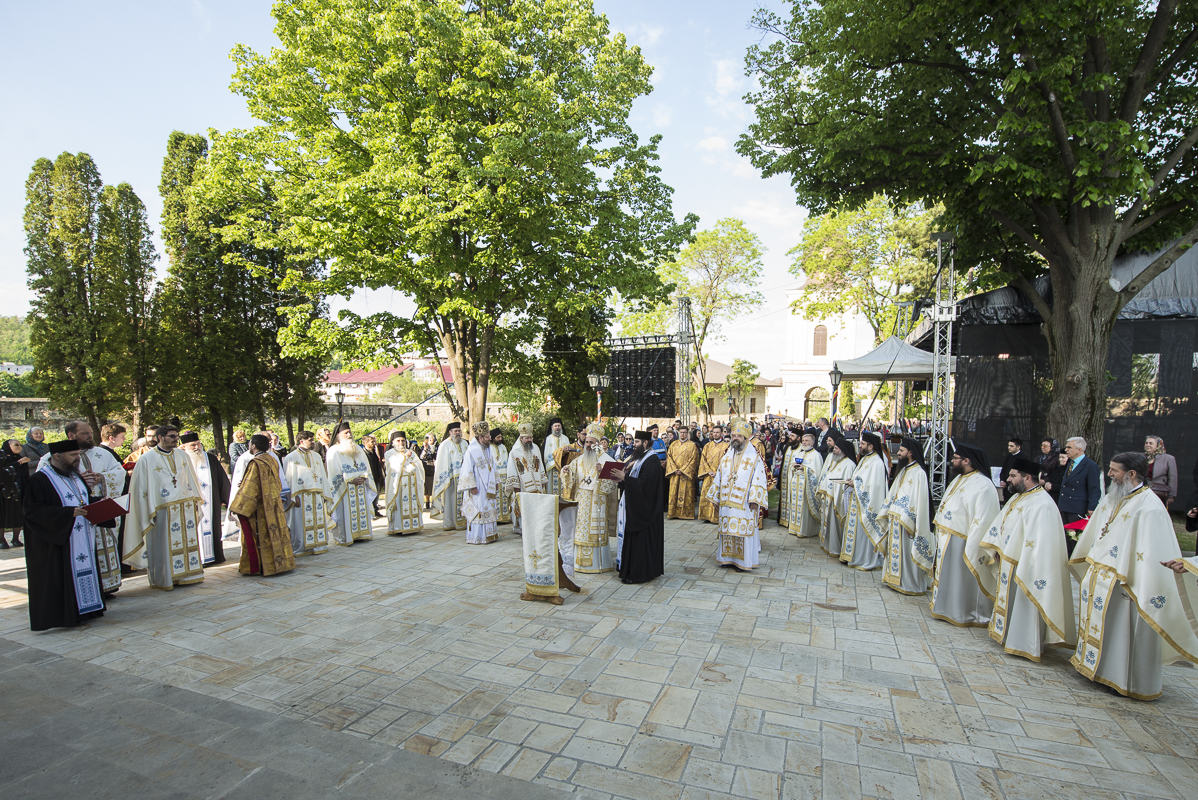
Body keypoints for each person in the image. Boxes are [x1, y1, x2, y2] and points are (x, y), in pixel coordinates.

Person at [1070, 452, 1198, 699]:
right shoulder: (1112, 497)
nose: (1109, 474)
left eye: (1114, 470)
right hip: (1102, 577)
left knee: (1122, 634)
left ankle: (1122, 681)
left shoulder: (1150, 506)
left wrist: (1132, 577)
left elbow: (1152, 552)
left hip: (1128, 583)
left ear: (1131, 474)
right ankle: (1095, 668)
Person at [966, 458, 1075, 662]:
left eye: (1013, 475)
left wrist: (1024, 560)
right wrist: (996, 547)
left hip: (1028, 566)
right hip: (1010, 560)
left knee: (1026, 603)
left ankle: (1025, 643)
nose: (1008, 479)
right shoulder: (1019, 497)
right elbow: (1003, 524)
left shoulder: (1042, 504)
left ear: (1027, 477)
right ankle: (1008, 634)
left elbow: (1041, 543)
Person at [22, 440, 110, 630]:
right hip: (58, 543)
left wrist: (101, 504)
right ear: (57, 457)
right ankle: (66, 616)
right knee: (62, 577)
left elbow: (82, 500)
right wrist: (67, 513)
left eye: (78, 454)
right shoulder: (39, 480)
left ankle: (88, 610)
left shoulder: (75, 477)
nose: (78, 459)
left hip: (82, 537)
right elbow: (32, 512)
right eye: (73, 455)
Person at [123, 424, 206, 590]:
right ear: (160, 438)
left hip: (184, 506)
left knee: (187, 541)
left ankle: (190, 574)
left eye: (176, 436)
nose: (176, 439)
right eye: (172, 436)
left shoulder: (182, 454)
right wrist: (147, 508)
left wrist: (195, 499)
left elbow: (190, 478)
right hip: (161, 509)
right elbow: (140, 488)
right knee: (163, 545)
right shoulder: (147, 459)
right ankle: (165, 578)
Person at [926, 442, 999, 627]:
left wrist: (973, 546)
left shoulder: (983, 484)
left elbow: (983, 519)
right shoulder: (960, 478)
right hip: (947, 538)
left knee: (960, 579)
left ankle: (965, 613)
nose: (952, 461)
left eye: (955, 458)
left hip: (964, 540)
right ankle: (945, 607)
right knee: (948, 577)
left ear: (967, 460)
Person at [704, 419, 768, 571]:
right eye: (733, 435)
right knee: (727, 529)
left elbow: (759, 479)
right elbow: (719, 477)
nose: (735, 439)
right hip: (726, 502)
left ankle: (743, 562)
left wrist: (754, 500)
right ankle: (726, 559)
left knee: (742, 531)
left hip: (744, 503)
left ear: (746, 439)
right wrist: (715, 497)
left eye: (739, 436)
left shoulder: (754, 458)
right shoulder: (726, 457)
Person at [228, 434, 295, 577]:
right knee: (276, 533)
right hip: (274, 503)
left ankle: (263, 566)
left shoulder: (255, 462)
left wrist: (238, 505)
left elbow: (251, 487)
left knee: (261, 535)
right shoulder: (272, 459)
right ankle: (281, 563)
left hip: (261, 508)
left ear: (253, 446)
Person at [559, 422, 619, 573]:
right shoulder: (579, 459)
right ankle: (578, 563)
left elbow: (611, 485)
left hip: (597, 502)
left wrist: (601, 472)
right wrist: (566, 472)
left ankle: (599, 563)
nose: (588, 444)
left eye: (591, 442)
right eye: (586, 442)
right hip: (581, 503)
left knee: (595, 531)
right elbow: (570, 477)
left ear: (598, 444)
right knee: (580, 531)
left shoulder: (607, 460)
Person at [881, 438, 932, 596]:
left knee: (908, 554)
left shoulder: (919, 473)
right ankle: (895, 580)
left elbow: (921, 502)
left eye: (901, 450)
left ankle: (909, 584)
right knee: (896, 552)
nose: (898, 453)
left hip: (907, 522)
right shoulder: (904, 470)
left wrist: (915, 523)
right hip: (896, 520)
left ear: (910, 453)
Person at [612, 431, 665, 584]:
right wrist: (623, 477)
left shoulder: (652, 461)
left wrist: (625, 478)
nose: (633, 444)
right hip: (636, 507)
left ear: (645, 443)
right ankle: (632, 569)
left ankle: (638, 573)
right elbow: (635, 480)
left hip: (645, 512)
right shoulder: (640, 458)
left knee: (641, 543)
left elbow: (645, 486)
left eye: (636, 442)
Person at [180, 431, 231, 566]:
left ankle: (213, 556)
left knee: (212, 527)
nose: (197, 447)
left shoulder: (210, 459)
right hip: (190, 502)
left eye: (198, 444)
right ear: (184, 446)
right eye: (192, 445)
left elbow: (222, 479)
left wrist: (225, 498)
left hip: (210, 500)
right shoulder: (181, 460)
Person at [841, 431, 889, 571]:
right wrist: (853, 481)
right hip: (857, 503)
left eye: (862, 443)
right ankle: (854, 556)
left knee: (864, 533)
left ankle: (864, 559)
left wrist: (855, 484)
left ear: (871, 446)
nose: (860, 446)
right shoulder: (865, 459)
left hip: (867, 506)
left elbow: (875, 486)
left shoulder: (877, 462)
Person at [325, 421, 378, 545]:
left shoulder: (357, 448)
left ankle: (362, 534)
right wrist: (349, 480)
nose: (349, 434)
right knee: (345, 513)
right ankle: (345, 537)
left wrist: (365, 477)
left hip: (360, 487)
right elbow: (334, 472)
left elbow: (366, 467)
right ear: (338, 435)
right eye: (345, 433)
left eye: (350, 432)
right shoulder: (334, 451)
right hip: (345, 490)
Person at [283, 430, 333, 555]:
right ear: (301, 441)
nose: (313, 442)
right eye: (310, 440)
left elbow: (323, 475)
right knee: (301, 523)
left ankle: (318, 545)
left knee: (318, 520)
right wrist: (292, 497)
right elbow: (288, 478)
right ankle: (302, 547)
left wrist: (324, 493)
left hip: (317, 495)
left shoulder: (316, 456)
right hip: (301, 496)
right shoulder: (291, 457)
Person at [459, 422, 500, 544]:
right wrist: (472, 486)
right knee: (479, 508)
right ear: (480, 438)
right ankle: (477, 537)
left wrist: (496, 481)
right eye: (487, 437)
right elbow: (466, 469)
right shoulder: (471, 450)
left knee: (489, 506)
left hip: (489, 486)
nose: (490, 439)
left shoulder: (488, 448)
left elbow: (493, 466)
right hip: (478, 486)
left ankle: (490, 534)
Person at [816, 433, 855, 558]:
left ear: (843, 450)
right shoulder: (836, 461)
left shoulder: (849, 464)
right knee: (829, 525)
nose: (834, 450)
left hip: (838, 499)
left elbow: (845, 483)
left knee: (836, 526)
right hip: (830, 498)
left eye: (837, 448)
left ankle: (836, 548)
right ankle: (828, 546)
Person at [505, 420, 548, 535]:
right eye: (526, 438)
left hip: (537, 485)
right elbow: (511, 470)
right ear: (521, 438)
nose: (529, 440)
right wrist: (515, 486)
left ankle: (535, 526)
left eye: (530, 438)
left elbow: (541, 466)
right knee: (524, 506)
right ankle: (522, 528)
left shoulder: (536, 448)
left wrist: (543, 480)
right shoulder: (515, 451)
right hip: (523, 487)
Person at [384, 430, 424, 535]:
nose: (401, 443)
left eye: (403, 441)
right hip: (398, 487)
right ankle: (398, 527)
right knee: (399, 506)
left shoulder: (412, 453)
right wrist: (405, 457)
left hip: (412, 486)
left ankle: (414, 526)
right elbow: (393, 467)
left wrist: (412, 466)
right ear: (393, 442)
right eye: (398, 441)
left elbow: (419, 465)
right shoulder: (389, 453)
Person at [785, 430, 824, 538]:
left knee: (805, 509)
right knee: (795, 506)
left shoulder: (816, 455)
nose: (804, 443)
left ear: (812, 443)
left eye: (807, 441)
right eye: (803, 440)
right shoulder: (799, 453)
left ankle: (806, 530)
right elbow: (791, 466)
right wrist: (793, 467)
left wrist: (805, 468)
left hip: (807, 487)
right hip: (796, 484)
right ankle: (794, 528)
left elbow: (817, 473)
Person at [431, 422, 467, 530]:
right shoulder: (444, 445)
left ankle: (464, 521)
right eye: (455, 431)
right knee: (450, 502)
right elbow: (442, 464)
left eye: (459, 431)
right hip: (450, 479)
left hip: (464, 478)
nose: (458, 433)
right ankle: (450, 522)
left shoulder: (465, 443)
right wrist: (447, 477)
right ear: (450, 432)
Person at [1058, 436, 1102, 524]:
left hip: (1077, 508)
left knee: (1073, 536)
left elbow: (1094, 488)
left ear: (1079, 450)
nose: (1066, 450)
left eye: (1069, 447)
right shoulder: (1070, 463)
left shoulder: (1090, 466)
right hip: (1064, 507)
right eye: (1066, 447)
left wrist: (1092, 507)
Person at [665, 425, 701, 520]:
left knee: (687, 494)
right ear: (678, 433)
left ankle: (686, 514)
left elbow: (694, 460)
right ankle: (673, 513)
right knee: (674, 493)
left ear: (688, 433)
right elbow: (669, 458)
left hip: (686, 474)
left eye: (685, 432)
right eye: (681, 432)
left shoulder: (692, 445)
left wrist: (683, 470)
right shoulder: (673, 445)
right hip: (674, 473)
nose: (683, 434)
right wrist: (674, 469)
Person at [0, 438, 29, 548]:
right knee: (2, 517)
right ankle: (2, 541)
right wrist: (19, 463)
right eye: (16, 444)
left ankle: (15, 539)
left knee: (17, 516)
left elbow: (25, 475)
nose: (19, 447)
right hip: (3, 491)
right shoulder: (2, 457)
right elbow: (4, 470)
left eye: (20, 445)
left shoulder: (21, 458)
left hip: (18, 490)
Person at [697, 424, 727, 524]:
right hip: (708, 475)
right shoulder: (707, 446)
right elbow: (703, 460)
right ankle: (706, 516)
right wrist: (709, 471)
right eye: (713, 432)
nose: (715, 434)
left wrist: (718, 472)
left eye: (717, 432)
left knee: (719, 495)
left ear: (721, 433)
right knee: (706, 494)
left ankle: (718, 517)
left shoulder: (726, 446)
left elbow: (728, 462)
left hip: (720, 476)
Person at [1144, 435, 1177, 508]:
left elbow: (1172, 478)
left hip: (1159, 492)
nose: (1147, 445)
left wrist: (1171, 495)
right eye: (1146, 443)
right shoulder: (1141, 457)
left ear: (1158, 445)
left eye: (1151, 443)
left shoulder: (1168, 458)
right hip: (1143, 491)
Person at [542, 418, 571, 497]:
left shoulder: (565, 438)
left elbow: (569, 454)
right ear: (552, 427)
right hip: (552, 469)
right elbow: (546, 454)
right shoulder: (548, 439)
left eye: (559, 425)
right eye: (555, 426)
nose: (557, 427)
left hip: (563, 468)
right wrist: (554, 464)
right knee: (551, 490)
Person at [775, 428, 798, 525]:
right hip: (785, 478)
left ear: (798, 438)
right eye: (790, 435)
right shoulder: (788, 447)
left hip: (794, 479)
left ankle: (792, 522)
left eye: (792, 436)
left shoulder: (801, 449)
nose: (790, 437)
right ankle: (783, 520)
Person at [489, 429, 512, 524]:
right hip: (494, 476)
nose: (500, 439)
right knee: (495, 497)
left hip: (504, 475)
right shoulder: (488, 448)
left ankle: (505, 516)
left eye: (501, 437)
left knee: (504, 495)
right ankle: (496, 517)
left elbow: (507, 461)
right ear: (492, 438)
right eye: (498, 437)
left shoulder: (503, 447)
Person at [361, 434, 386, 518]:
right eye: (372, 442)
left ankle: (375, 510)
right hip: (369, 477)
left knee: (376, 493)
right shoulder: (363, 454)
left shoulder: (373, 452)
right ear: (365, 443)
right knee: (369, 494)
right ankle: (369, 512)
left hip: (376, 476)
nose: (374, 443)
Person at [998, 437, 1023, 503]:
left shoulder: (1023, 457)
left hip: (1015, 489)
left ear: (1018, 447)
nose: (1009, 447)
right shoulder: (1008, 457)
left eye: (1011, 446)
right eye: (1008, 445)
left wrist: (1008, 483)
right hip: (1006, 489)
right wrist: (1002, 481)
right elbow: (1003, 470)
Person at [420, 432, 438, 509]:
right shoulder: (424, 447)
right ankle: (427, 503)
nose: (430, 440)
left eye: (431, 438)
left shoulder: (438, 447)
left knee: (434, 487)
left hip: (435, 469)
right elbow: (422, 457)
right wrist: (425, 448)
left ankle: (435, 503)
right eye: (428, 438)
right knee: (426, 487)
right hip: (427, 469)